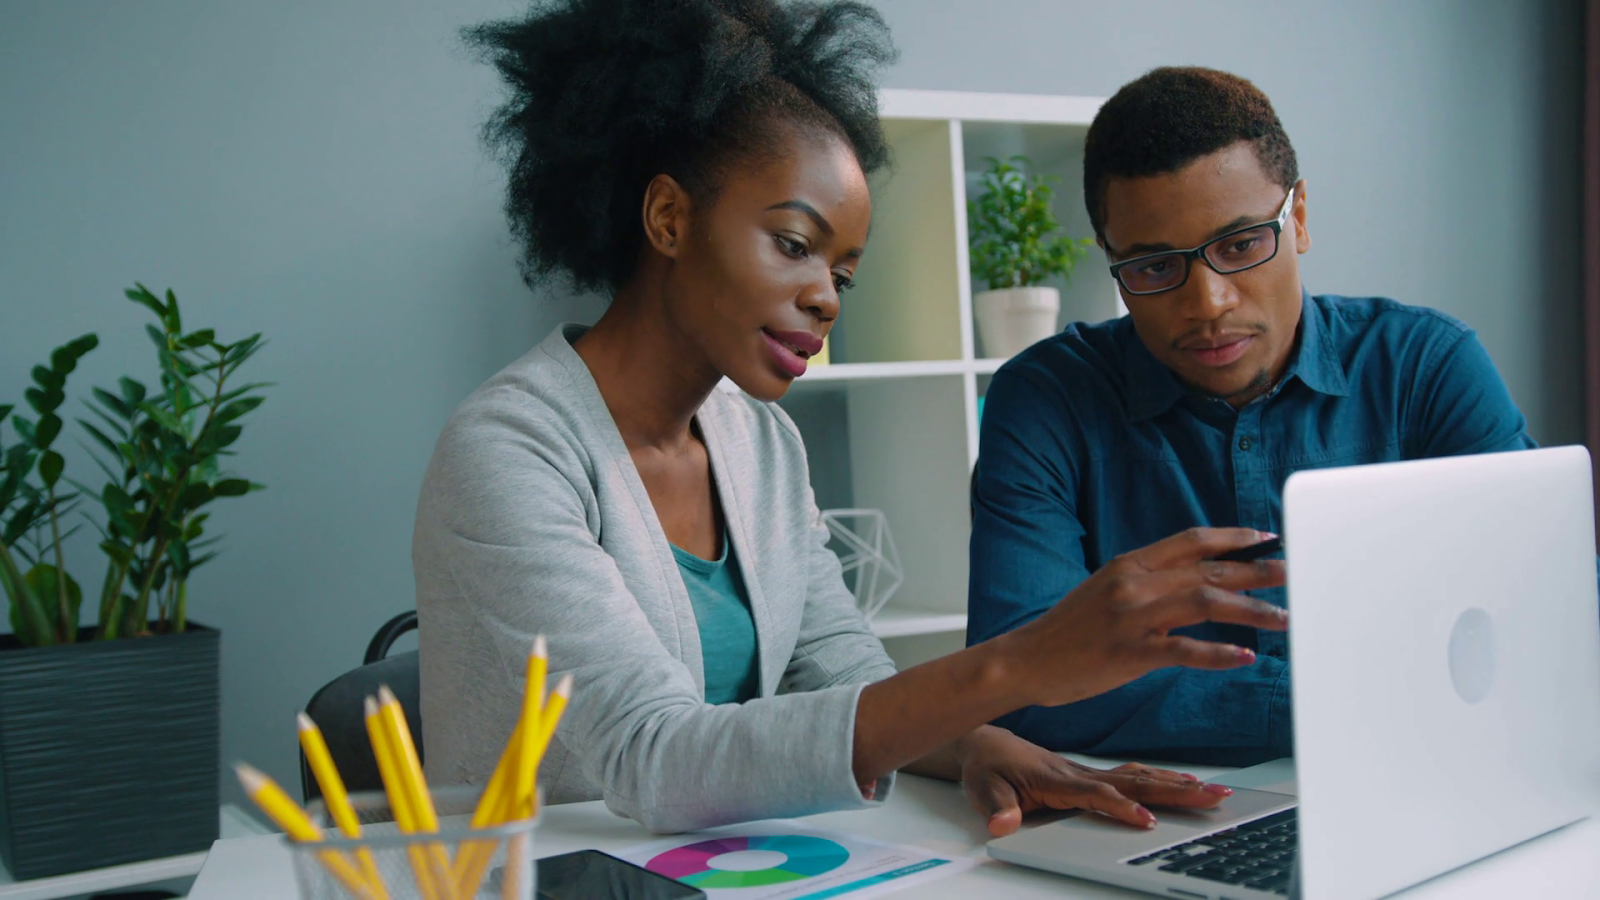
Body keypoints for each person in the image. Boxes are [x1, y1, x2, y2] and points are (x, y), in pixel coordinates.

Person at [414, 2, 1287, 836]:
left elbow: (842, 671)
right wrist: (1019, 664)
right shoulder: (508, 450)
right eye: (795, 244)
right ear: (670, 218)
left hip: (712, 867)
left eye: (844, 272)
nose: (826, 298)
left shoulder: (758, 441)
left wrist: (989, 746)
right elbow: (654, 757)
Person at [967, 66, 1537, 768]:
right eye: (1151, 267)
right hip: (1163, 822)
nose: (1207, 303)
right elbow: (1013, 683)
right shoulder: (1044, 400)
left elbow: (1546, 611)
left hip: (1423, 774)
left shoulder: (1425, 367)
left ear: (1296, 218)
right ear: (1112, 260)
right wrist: (1350, 698)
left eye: (1240, 246)